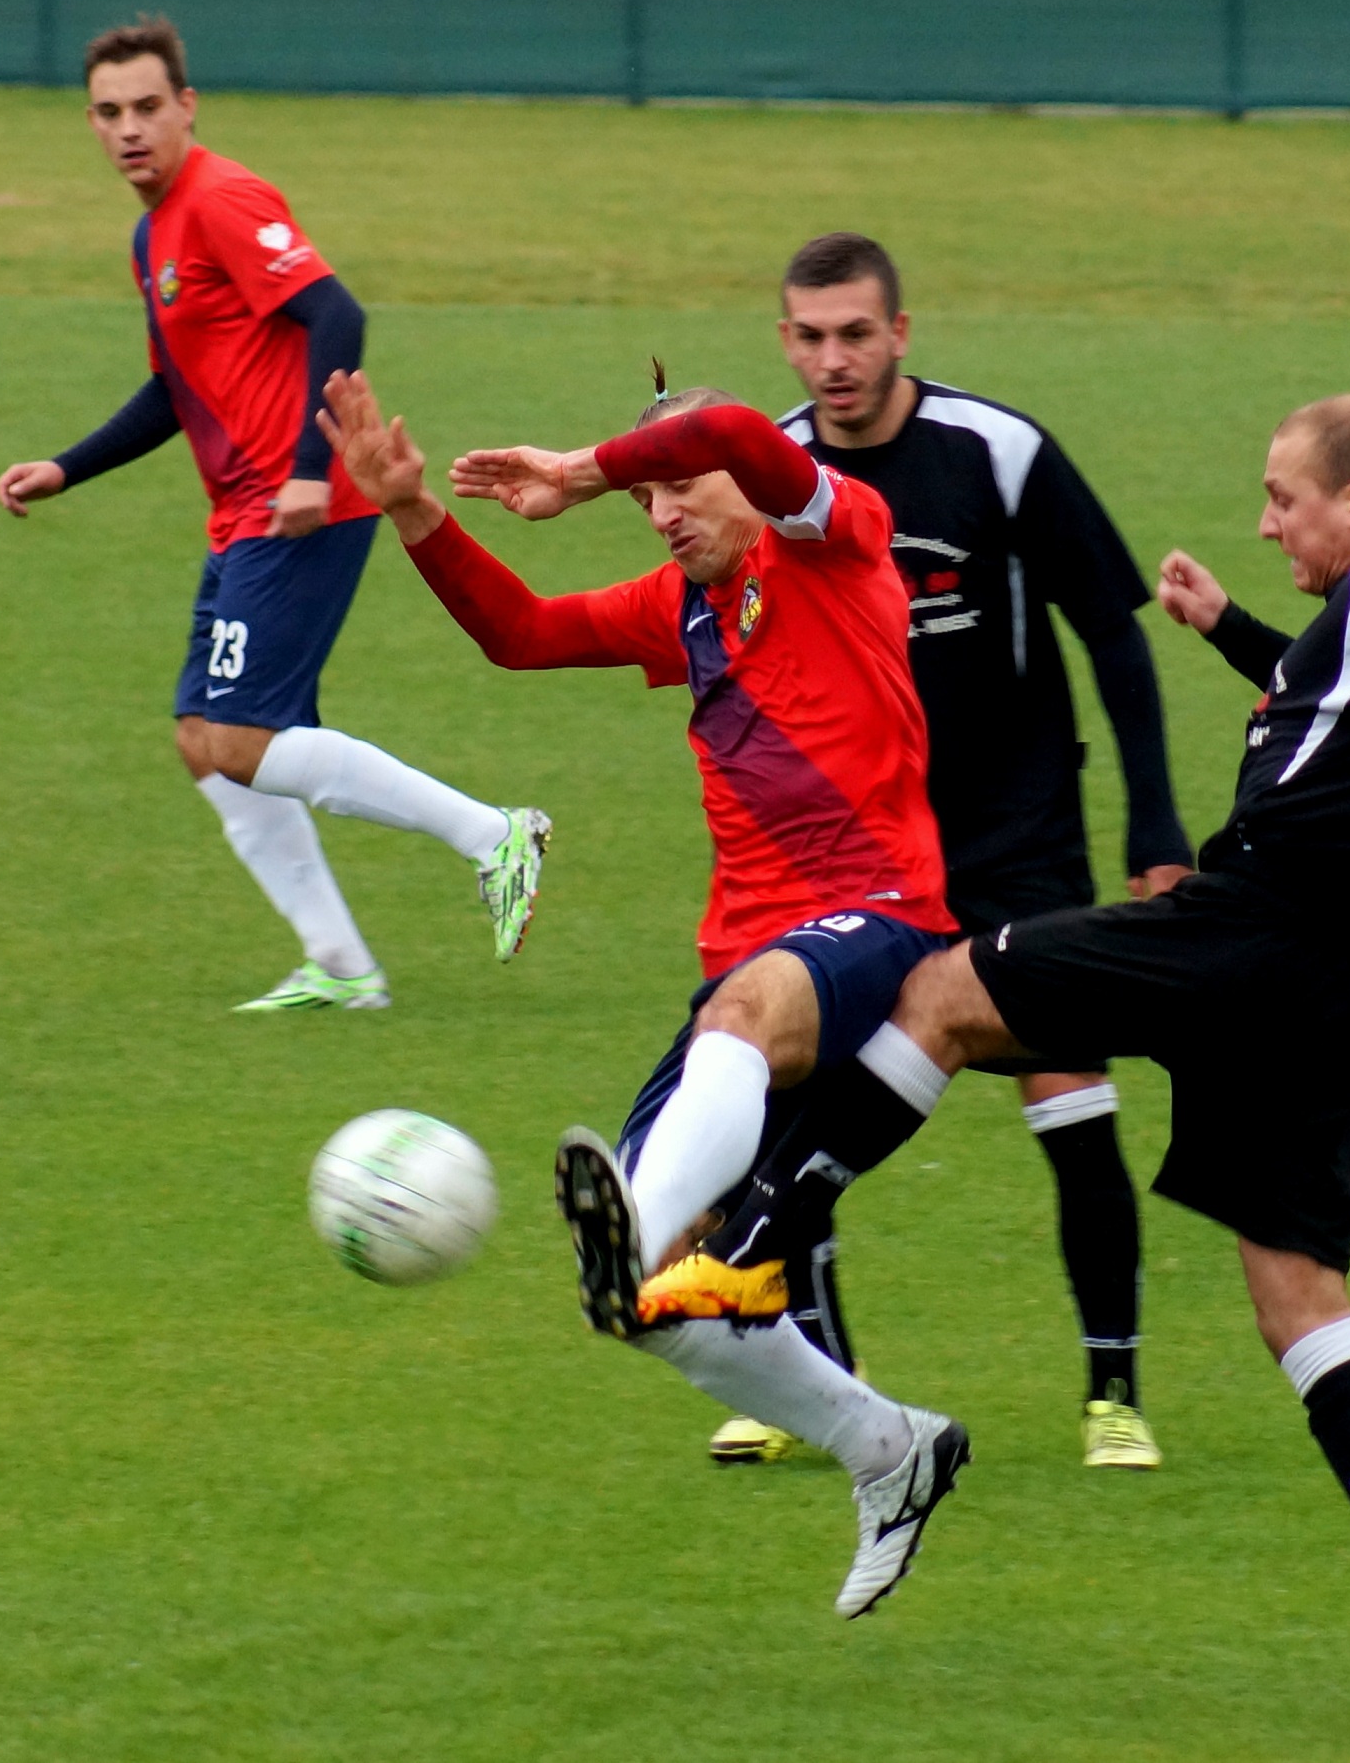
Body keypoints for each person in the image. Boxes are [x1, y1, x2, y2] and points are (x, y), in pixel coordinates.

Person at [718, 396, 1350, 1730]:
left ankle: (759, 1242)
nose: (1268, 522)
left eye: (1284, 497)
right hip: (1325, 986)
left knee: (939, 988)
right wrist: (1230, 636)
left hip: (1247, 929)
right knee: (1300, 1298)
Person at [318, 364, 971, 1621]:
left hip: (883, 916)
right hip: (750, 959)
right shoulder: (684, 610)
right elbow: (520, 636)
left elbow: (727, 425)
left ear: (751, 480)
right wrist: (411, 511)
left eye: (680, 487)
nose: (663, 511)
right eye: (648, 495)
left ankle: (633, 1208)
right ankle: (889, 1447)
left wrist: (579, 466)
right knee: (655, 1303)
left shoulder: (832, 539)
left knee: (733, 1039)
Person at [693, 232, 1191, 1472]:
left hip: (1013, 832)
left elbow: (1114, 635)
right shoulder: (770, 467)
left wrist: (1154, 822)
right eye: (808, 336)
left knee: (1067, 1099)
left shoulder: (996, 452)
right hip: (849, 850)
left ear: (901, 332)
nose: (833, 359)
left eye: (856, 333)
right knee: (779, 1112)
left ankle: (1111, 1394)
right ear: (782, 340)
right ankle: (810, 1377)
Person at [0, 18, 547, 1011]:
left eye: (148, 108)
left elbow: (337, 314)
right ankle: (341, 968)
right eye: (110, 113)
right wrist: (65, 468)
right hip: (245, 513)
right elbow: (176, 389)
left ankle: (492, 833)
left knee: (243, 738)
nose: (130, 129)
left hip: (304, 504)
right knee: (204, 739)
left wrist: (302, 471)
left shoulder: (222, 198)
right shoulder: (150, 234)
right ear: (90, 121)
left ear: (186, 107)